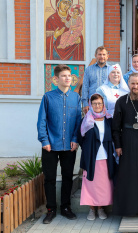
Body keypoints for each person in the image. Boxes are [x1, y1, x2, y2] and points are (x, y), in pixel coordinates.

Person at [37, 64, 81, 224]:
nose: (67, 78)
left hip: (69, 145)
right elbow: (41, 120)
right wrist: (44, 140)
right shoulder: (48, 97)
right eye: (64, 76)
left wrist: (75, 139)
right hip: (50, 145)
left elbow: (78, 120)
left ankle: (66, 207)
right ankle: (51, 209)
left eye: (69, 75)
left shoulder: (76, 98)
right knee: (49, 178)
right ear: (56, 79)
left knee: (68, 177)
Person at [112, 72, 138, 216]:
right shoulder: (122, 101)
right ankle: (127, 208)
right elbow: (116, 126)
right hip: (127, 140)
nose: (135, 86)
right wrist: (118, 145)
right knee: (127, 175)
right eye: (132, 83)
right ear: (128, 84)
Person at [78, 93, 116, 221]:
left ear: (103, 104)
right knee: (90, 184)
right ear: (90, 105)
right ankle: (91, 209)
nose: (97, 106)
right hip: (91, 157)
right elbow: (80, 138)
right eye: (94, 103)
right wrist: (89, 149)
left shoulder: (109, 119)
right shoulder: (86, 120)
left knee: (103, 185)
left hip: (105, 157)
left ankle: (100, 209)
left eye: (99, 103)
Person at [82, 46, 110, 114]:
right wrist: (85, 103)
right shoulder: (89, 69)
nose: (102, 56)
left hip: (107, 104)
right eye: (99, 54)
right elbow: (85, 87)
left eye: (104, 54)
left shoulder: (111, 70)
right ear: (95, 55)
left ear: (107, 56)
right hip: (92, 104)